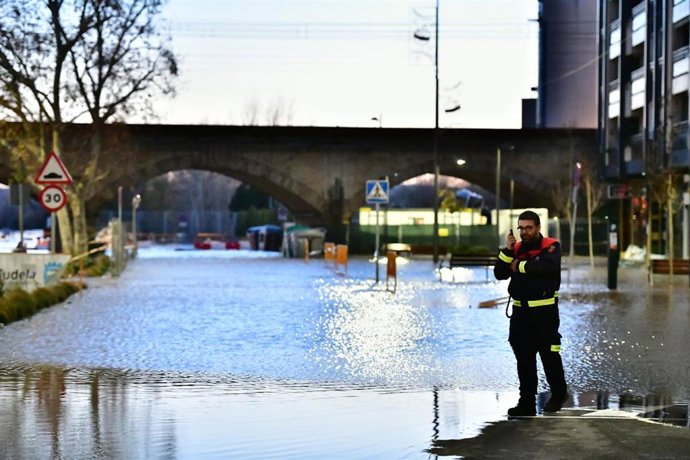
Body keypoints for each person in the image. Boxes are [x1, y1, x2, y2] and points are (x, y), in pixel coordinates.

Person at [494, 210, 568, 416]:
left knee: (549, 355)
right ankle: (526, 403)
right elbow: (499, 273)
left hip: (544, 312)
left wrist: (519, 265)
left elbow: (546, 267)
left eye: (528, 228)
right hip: (520, 313)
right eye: (521, 228)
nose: (524, 232)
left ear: (538, 228)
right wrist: (507, 252)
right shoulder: (515, 248)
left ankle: (559, 393)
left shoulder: (551, 246)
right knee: (524, 359)